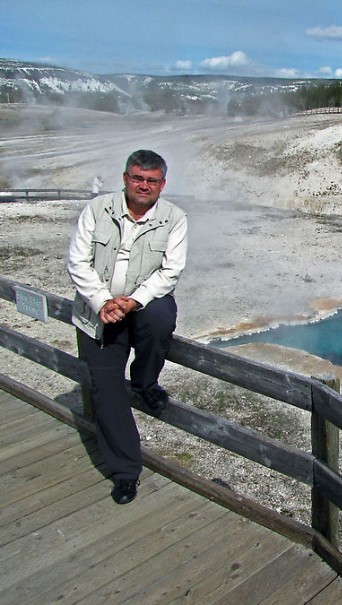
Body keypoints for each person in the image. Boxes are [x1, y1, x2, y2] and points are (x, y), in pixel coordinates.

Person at [67, 150, 187, 505]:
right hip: (98, 312)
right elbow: (78, 261)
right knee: (106, 388)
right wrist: (103, 301)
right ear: (125, 178)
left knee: (161, 316)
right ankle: (124, 471)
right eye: (137, 178)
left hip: (141, 305)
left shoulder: (174, 218)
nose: (144, 185)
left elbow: (170, 271)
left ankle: (144, 382)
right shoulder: (97, 210)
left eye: (151, 180)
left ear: (162, 184)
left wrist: (133, 301)